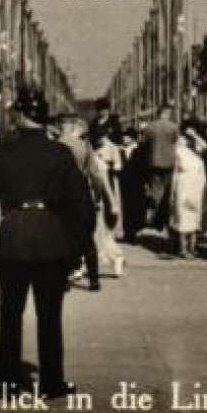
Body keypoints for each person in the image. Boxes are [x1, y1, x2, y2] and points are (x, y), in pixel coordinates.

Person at [0, 90, 95, 399]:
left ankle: (6, 383)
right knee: (50, 316)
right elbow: (82, 206)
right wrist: (76, 246)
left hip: (12, 236)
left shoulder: (0, 153)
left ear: (19, 116)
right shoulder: (60, 154)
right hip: (51, 236)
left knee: (10, 314)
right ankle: (52, 383)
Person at [59, 117, 123, 287]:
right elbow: (95, 174)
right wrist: (97, 195)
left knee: (64, 237)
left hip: (60, 195)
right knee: (87, 237)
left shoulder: (54, 145)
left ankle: (64, 277)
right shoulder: (84, 146)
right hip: (80, 194)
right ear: (73, 127)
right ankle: (94, 280)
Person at [139, 104, 179, 235]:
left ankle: (157, 218)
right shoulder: (173, 127)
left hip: (153, 163)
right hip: (169, 163)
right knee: (169, 191)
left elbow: (141, 144)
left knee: (156, 191)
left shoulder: (149, 127)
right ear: (167, 113)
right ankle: (166, 217)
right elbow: (176, 143)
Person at [170, 129, 207, 258]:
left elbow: (205, 146)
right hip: (183, 186)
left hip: (196, 188)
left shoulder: (197, 154)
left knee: (195, 218)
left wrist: (194, 135)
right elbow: (175, 172)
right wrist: (172, 192)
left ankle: (192, 247)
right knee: (182, 217)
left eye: (186, 138)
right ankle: (182, 248)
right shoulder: (179, 151)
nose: (183, 140)